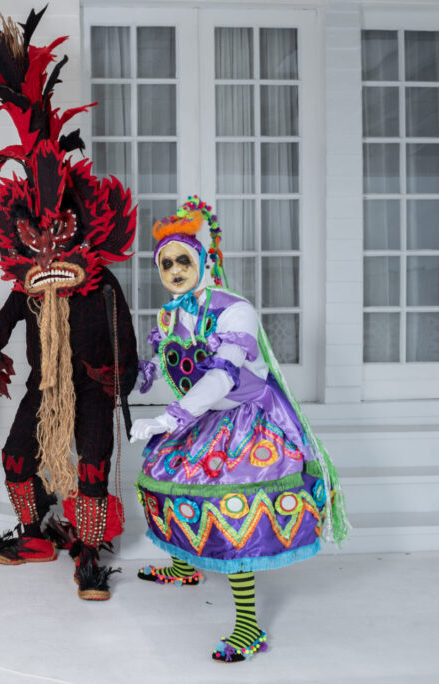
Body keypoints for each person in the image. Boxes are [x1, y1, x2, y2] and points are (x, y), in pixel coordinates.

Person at [0, 7, 138, 600]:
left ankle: (88, 553)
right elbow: (6, 322)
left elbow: (126, 342)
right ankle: (37, 531)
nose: (50, 251)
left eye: (59, 236)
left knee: (91, 466)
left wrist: (119, 378)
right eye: (38, 240)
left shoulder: (102, 286)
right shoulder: (29, 288)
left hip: (90, 388)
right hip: (45, 387)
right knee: (16, 456)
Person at [129, 196, 349, 662]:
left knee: (231, 508)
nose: (173, 270)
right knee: (160, 475)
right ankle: (185, 566)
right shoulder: (172, 312)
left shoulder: (235, 310)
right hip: (207, 414)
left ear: (204, 261)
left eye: (183, 260)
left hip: (248, 418)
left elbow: (222, 377)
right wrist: (141, 372)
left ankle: (248, 626)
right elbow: (173, 359)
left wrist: (170, 418)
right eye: (165, 263)